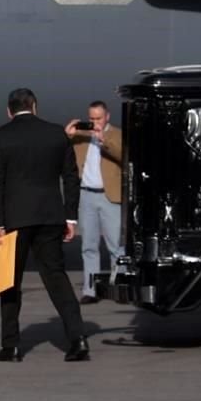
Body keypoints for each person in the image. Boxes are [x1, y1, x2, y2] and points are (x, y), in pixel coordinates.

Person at [0, 88, 89, 362]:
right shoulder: (56, 134)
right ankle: (78, 339)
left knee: (9, 283)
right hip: (49, 217)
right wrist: (70, 217)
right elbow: (71, 177)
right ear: (35, 106)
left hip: (14, 220)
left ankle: (11, 346)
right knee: (57, 278)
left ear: (9, 111)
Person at [65, 101, 122, 304]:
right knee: (89, 245)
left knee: (115, 246)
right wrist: (67, 136)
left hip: (110, 196)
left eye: (98, 118)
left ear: (107, 116)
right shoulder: (81, 136)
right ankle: (91, 290)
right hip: (86, 196)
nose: (94, 122)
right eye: (91, 118)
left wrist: (103, 139)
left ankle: (118, 286)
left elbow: (123, 155)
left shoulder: (116, 134)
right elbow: (61, 154)